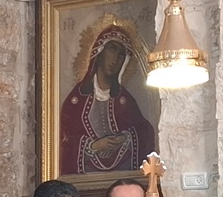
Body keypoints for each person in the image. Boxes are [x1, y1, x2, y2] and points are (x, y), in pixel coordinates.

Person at [59, 25, 155, 176]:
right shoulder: (76, 99)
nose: (114, 60)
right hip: (85, 173)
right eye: (111, 50)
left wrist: (126, 138)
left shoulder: (125, 99)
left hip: (122, 169)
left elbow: (145, 131)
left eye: (121, 55)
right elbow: (63, 139)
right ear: (99, 52)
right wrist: (93, 145)